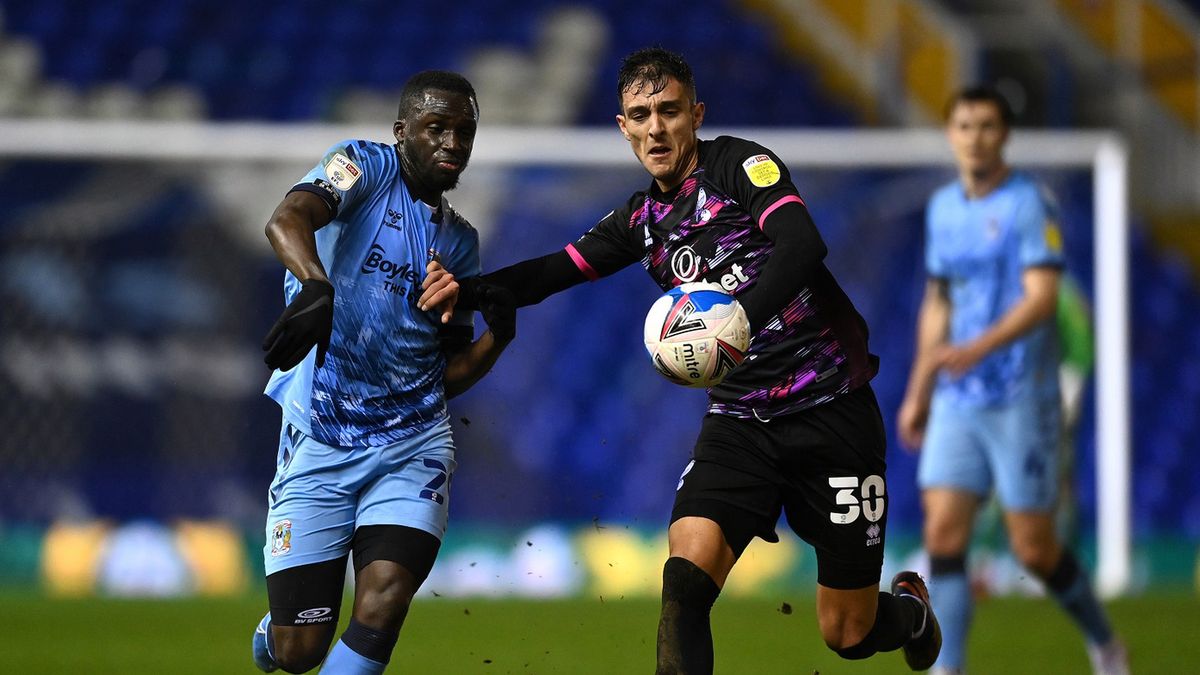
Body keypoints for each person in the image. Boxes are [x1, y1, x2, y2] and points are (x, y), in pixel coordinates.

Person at [420, 47, 941, 673]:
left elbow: (804, 242)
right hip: (742, 423)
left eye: (669, 111)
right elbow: (550, 272)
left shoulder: (740, 166)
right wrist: (467, 289)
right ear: (623, 126)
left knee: (848, 633)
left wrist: (740, 314)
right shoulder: (642, 221)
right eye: (640, 114)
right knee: (685, 580)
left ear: (696, 114)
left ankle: (910, 610)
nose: (656, 127)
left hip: (832, 412)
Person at [251, 70, 516, 674]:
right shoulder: (362, 169)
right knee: (300, 652)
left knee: (386, 597)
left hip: (413, 440)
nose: (452, 143)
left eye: (464, 133)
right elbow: (286, 218)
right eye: (436, 128)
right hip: (323, 433)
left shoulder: (460, 245)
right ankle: (280, 631)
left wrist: (499, 339)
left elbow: (445, 373)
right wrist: (316, 290)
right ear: (401, 133)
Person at [896, 85, 1128, 675]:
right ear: (951, 134)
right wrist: (919, 389)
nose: (975, 137)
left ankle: (1105, 643)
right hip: (957, 399)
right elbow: (938, 303)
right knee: (944, 533)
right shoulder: (943, 209)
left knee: (1034, 547)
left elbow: (1043, 299)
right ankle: (950, 668)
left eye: (987, 126)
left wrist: (976, 348)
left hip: (1020, 396)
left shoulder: (1029, 205)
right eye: (965, 126)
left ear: (1005, 136)